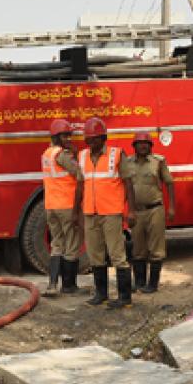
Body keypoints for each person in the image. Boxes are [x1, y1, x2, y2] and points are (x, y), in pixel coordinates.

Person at [78, 117, 137, 309]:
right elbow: (80, 184)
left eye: (95, 139)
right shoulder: (82, 156)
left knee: (117, 255)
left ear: (104, 138)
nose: (92, 143)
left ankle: (125, 297)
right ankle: (101, 294)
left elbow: (128, 184)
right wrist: (74, 210)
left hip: (111, 212)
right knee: (95, 255)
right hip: (90, 213)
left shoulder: (117, 154)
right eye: (89, 139)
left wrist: (132, 211)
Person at [127, 131, 176, 294]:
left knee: (156, 249)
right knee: (137, 249)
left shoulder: (158, 162)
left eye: (146, 143)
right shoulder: (128, 163)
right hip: (137, 212)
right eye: (139, 143)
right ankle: (139, 282)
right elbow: (126, 188)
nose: (143, 146)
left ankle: (152, 285)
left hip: (155, 210)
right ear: (134, 146)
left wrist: (171, 208)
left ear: (150, 146)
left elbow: (169, 183)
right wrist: (129, 210)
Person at [41, 119, 85, 296]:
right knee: (73, 245)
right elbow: (80, 174)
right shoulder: (62, 155)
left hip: (51, 206)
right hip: (67, 205)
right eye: (65, 136)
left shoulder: (47, 153)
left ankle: (52, 285)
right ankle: (69, 286)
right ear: (56, 137)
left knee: (57, 244)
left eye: (69, 135)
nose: (68, 139)